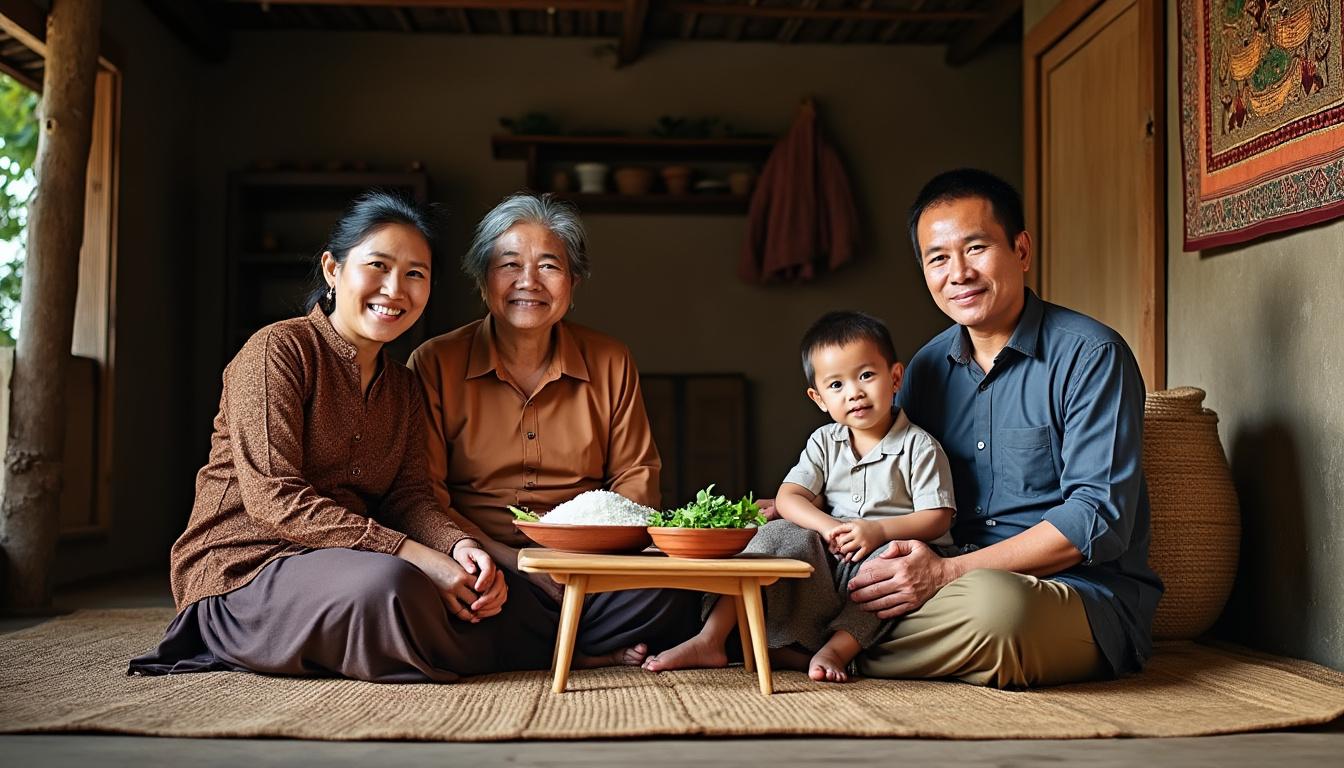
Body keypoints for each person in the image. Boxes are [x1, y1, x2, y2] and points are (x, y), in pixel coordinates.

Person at [128, 191, 508, 683]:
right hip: (243, 571)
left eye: (416, 274)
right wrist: (414, 555)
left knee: (495, 590)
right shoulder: (276, 352)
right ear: (332, 269)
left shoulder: (405, 387)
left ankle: (430, 638)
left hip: (346, 565)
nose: (395, 289)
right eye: (378, 265)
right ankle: (449, 644)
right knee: (392, 586)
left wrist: (457, 548)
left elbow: (409, 498)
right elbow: (273, 497)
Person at [844, 168, 1163, 687]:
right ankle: (841, 639)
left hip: (1070, 595)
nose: (959, 273)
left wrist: (948, 573)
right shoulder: (924, 370)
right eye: (939, 258)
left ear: (1021, 250)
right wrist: (810, 508)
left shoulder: (1091, 355)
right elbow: (888, 477)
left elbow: (1096, 519)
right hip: (948, 585)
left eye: (976, 248)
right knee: (811, 566)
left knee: (999, 610)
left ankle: (832, 646)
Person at [408, 192, 699, 671]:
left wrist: (583, 567)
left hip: (591, 567)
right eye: (509, 265)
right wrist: (515, 564)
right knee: (429, 595)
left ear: (574, 282)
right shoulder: (435, 363)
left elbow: (635, 479)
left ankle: (537, 646)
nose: (528, 282)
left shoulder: (611, 360)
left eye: (549, 266)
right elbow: (426, 494)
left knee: (672, 592)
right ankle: (577, 650)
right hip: (484, 562)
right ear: (483, 280)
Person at [643, 311, 956, 682]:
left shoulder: (919, 446)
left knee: (883, 573)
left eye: (866, 376)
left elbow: (938, 516)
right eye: (836, 385)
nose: (854, 392)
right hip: (835, 546)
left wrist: (879, 532)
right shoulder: (824, 441)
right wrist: (827, 527)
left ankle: (835, 650)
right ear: (819, 398)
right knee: (773, 534)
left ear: (896, 378)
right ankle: (712, 637)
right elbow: (789, 497)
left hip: (886, 549)